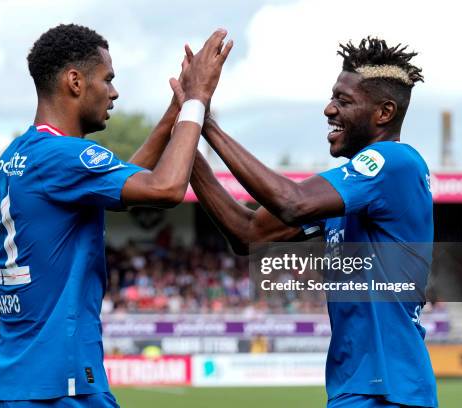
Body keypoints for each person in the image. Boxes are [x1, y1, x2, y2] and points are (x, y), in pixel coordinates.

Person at [168, 38, 436, 407]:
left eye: (344, 101)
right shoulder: (354, 192)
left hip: (389, 390)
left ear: (384, 113)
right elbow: (248, 235)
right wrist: (188, 145)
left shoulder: (395, 163)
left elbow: (292, 202)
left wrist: (204, 119)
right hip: (357, 387)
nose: (329, 109)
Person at [0, 24, 232, 407]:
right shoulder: (64, 156)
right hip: (59, 384)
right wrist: (197, 100)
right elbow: (165, 188)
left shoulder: (20, 153)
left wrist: (174, 112)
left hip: (6, 381)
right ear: (75, 81)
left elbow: (126, 182)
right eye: (107, 79)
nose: (113, 93)